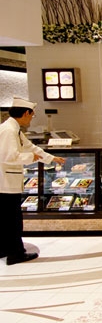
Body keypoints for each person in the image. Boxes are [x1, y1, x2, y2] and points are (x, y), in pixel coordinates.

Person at [0, 97, 65, 266]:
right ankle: (15, 254)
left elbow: (30, 147)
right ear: (25, 113)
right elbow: (9, 157)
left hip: (8, 182)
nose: (31, 118)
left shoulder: (14, 129)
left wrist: (51, 158)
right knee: (12, 220)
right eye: (32, 115)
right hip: (6, 183)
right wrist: (31, 158)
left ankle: (5, 249)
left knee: (7, 219)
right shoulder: (8, 130)